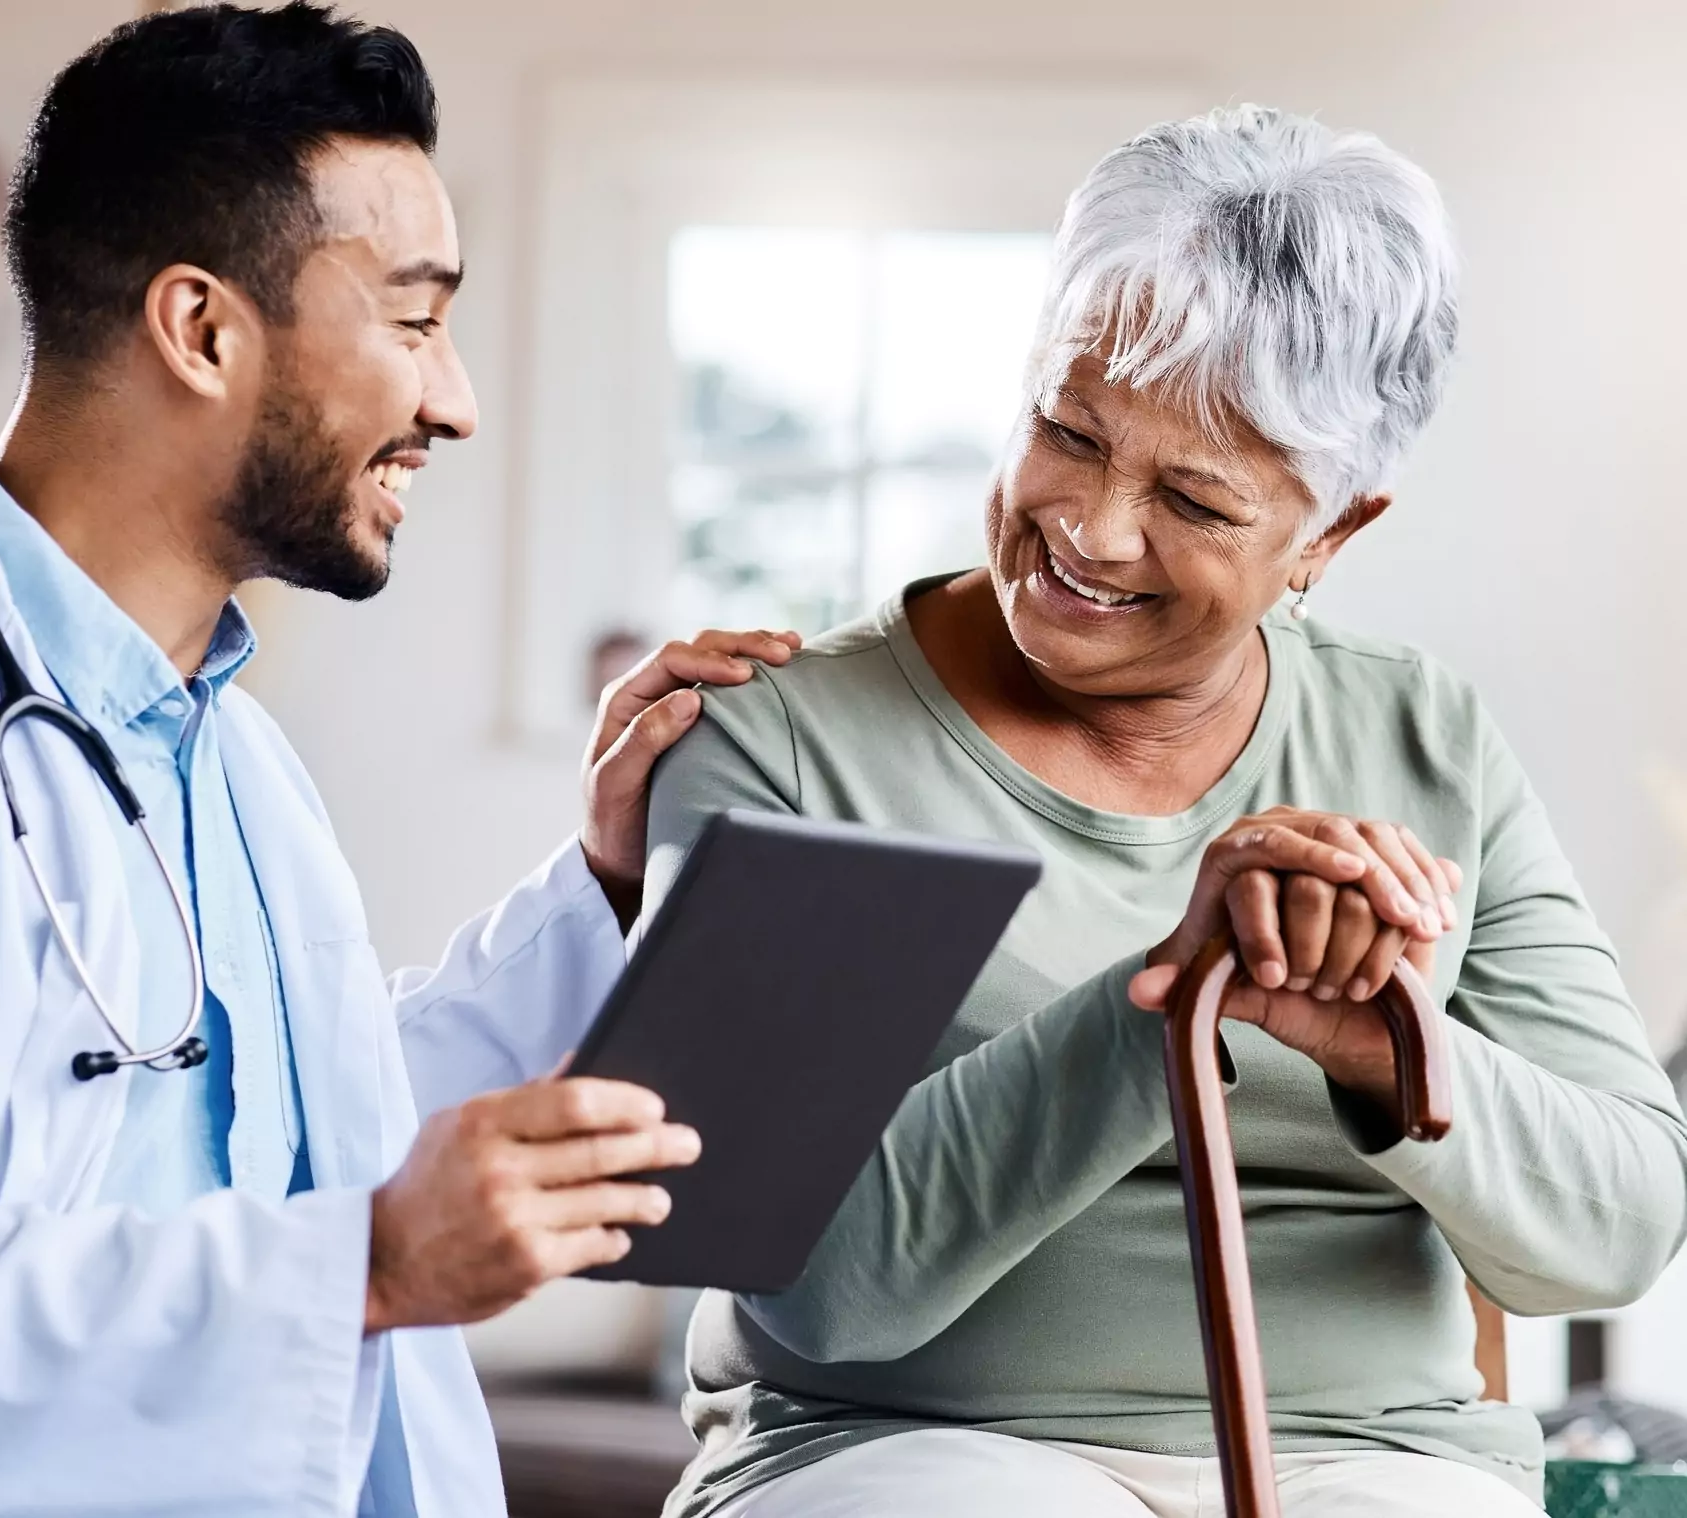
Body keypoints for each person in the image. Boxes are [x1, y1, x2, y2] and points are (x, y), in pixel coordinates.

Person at [0, 7, 799, 1516]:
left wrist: (607, 883)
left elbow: (314, 1128)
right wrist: (365, 1262)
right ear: (202, 328)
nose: (455, 400)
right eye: (414, 321)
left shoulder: (229, 744)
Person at [642, 105, 1687, 1517]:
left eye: (1193, 499)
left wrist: (1390, 1046)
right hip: (898, 1450)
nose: (1091, 527)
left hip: (1371, 1458)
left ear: (1328, 531)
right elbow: (814, 1287)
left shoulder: (1418, 734)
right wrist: (1163, 1001)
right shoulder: (786, 738)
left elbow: (1618, 1225)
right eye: (1065, 429)